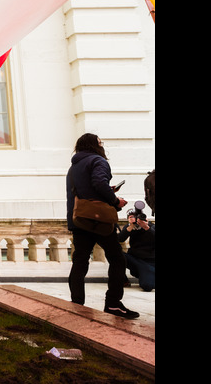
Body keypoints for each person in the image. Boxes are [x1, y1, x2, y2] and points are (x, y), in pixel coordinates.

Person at [65, 133, 138, 319]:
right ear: (94, 145)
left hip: (79, 219)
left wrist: (107, 190)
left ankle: (77, 304)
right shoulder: (98, 161)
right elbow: (98, 183)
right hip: (99, 220)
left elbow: (84, 190)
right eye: (100, 142)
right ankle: (113, 303)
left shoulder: (73, 167)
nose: (102, 145)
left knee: (80, 261)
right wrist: (115, 200)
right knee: (117, 259)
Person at [119, 203, 155, 292]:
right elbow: (119, 239)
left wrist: (146, 227)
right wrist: (130, 227)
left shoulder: (151, 226)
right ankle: (124, 281)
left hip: (149, 262)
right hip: (135, 260)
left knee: (147, 286)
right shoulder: (130, 227)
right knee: (115, 254)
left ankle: (147, 274)